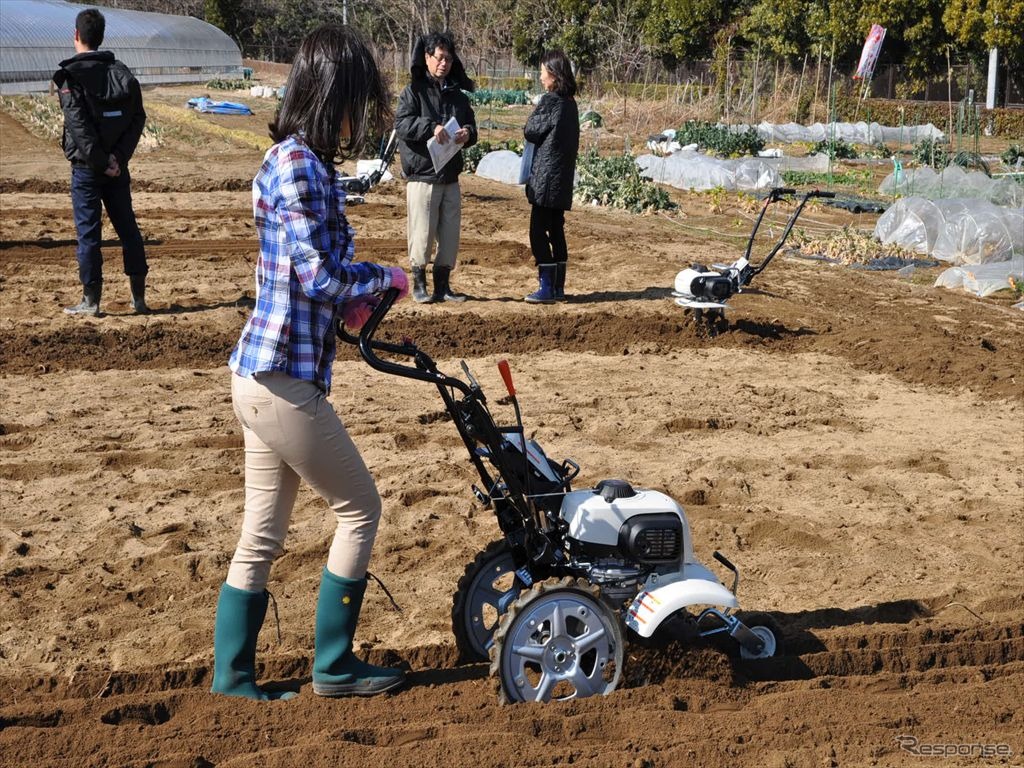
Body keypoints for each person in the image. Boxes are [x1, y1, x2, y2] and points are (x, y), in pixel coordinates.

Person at [212, 25, 410, 702]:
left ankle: (233, 679)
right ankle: (335, 665)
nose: (361, 117)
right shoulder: (299, 167)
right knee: (360, 508)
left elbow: (320, 275)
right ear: (332, 97)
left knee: (261, 534)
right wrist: (384, 278)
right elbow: (319, 277)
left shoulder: (304, 162)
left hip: (265, 376)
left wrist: (367, 289)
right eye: (356, 100)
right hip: (279, 379)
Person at [53, 8, 149, 316]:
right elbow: (137, 118)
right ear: (101, 36)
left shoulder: (71, 77)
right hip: (116, 168)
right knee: (128, 230)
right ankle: (139, 300)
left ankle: (91, 302)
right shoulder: (123, 74)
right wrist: (118, 158)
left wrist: (100, 160)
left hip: (87, 168)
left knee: (89, 235)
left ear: (77, 36)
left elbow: (79, 126)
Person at [395, 32, 478, 303]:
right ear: (427, 58)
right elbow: (403, 125)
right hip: (423, 174)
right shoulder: (413, 92)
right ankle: (419, 285)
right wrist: (431, 127)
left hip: (450, 175)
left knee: (450, 234)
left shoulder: (458, 97)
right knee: (422, 233)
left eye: (449, 59)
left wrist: (467, 133)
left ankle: (443, 287)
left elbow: (472, 127)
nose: (444, 63)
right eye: (440, 58)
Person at [522, 50, 579, 304]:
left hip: (545, 179)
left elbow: (531, 131)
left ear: (554, 75)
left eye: (543, 72)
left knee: (537, 231)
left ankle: (546, 287)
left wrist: (535, 111)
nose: (541, 76)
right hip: (562, 179)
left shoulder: (551, 101)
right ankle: (558, 287)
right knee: (556, 229)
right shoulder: (570, 104)